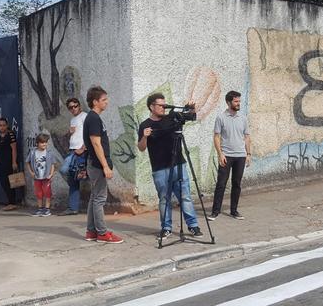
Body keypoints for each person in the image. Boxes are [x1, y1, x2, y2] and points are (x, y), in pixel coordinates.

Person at [138, 93, 203, 239]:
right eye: (160, 105)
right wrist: (144, 136)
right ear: (151, 107)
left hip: (178, 165)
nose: (163, 107)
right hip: (160, 169)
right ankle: (166, 228)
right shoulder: (145, 125)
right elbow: (141, 147)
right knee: (164, 199)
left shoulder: (172, 117)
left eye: (164, 104)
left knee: (185, 196)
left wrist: (192, 108)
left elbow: (192, 116)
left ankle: (193, 226)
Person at [82, 86, 124, 243]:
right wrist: (105, 166)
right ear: (95, 102)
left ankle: (91, 232)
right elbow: (96, 143)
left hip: (95, 164)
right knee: (99, 198)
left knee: (95, 197)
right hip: (97, 165)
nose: (107, 102)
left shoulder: (94, 118)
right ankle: (102, 233)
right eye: (104, 100)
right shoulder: (93, 118)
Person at [210, 90, 251, 220]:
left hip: (240, 156)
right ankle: (215, 211)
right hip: (226, 155)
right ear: (228, 102)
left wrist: (248, 153)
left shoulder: (243, 118)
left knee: (237, 184)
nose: (238, 103)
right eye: (236, 101)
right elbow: (216, 137)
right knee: (221, 184)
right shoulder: (221, 118)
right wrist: (220, 154)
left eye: (239, 101)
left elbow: (247, 136)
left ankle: (234, 211)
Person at [62, 97, 88, 216]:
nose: (73, 109)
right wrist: (70, 133)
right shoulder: (73, 119)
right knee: (73, 178)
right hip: (73, 150)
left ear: (79, 106)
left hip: (80, 151)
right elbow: (75, 134)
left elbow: (89, 134)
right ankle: (73, 207)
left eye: (75, 106)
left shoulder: (84, 116)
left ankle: (95, 206)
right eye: (70, 107)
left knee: (80, 176)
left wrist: (82, 148)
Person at [26, 133, 57, 217]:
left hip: (46, 177)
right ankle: (40, 209)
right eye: (42, 142)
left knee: (47, 193)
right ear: (37, 143)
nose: (44, 144)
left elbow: (53, 164)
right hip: (37, 177)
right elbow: (27, 162)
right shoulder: (33, 153)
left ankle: (47, 209)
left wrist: (51, 174)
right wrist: (31, 172)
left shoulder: (49, 153)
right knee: (38, 193)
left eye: (46, 142)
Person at [0, 118, 20, 211]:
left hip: (8, 161)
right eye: (0, 125)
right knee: (3, 181)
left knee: (9, 182)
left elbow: (14, 149)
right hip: (1, 161)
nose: (2, 127)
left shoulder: (10, 134)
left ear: (7, 125)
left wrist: (14, 162)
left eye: (3, 125)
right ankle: (10, 201)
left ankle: (12, 202)